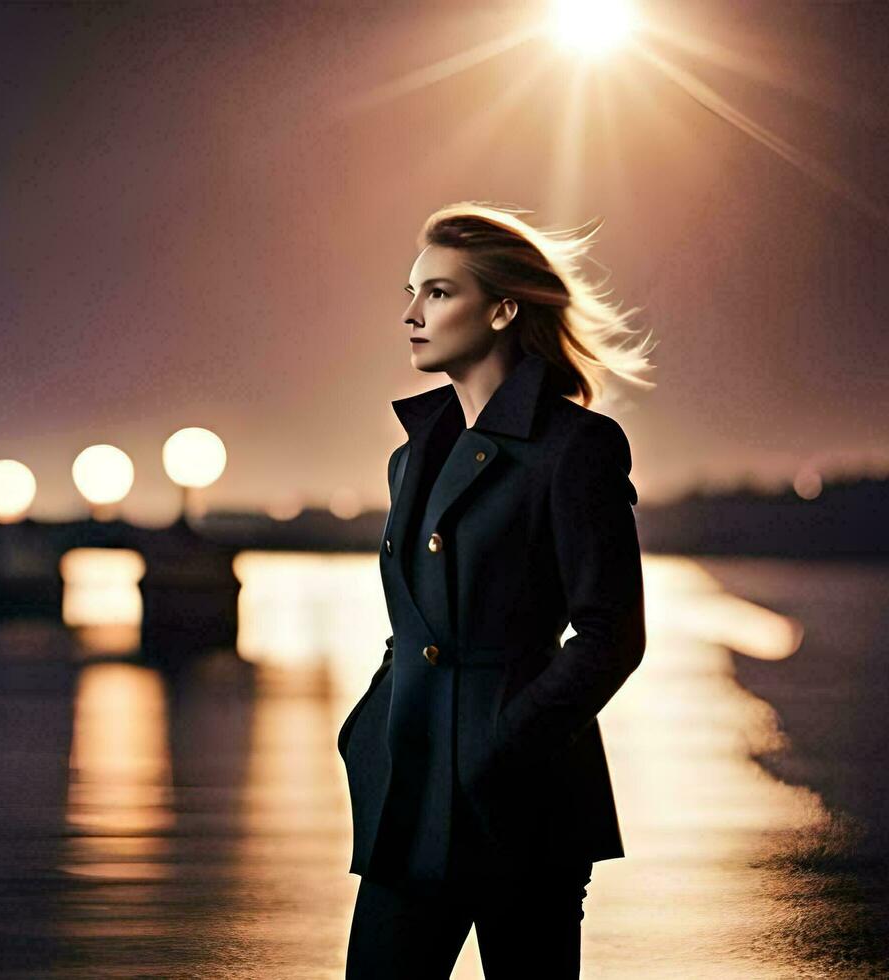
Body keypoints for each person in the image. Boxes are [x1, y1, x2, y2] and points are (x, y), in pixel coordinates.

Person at [336, 201, 657, 978]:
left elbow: (613, 636)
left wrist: (501, 748)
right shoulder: (409, 460)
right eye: (410, 293)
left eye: (439, 293)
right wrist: (369, 729)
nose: (411, 314)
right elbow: (411, 626)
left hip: (522, 802)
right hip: (409, 799)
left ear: (505, 308)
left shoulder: (576, 448)